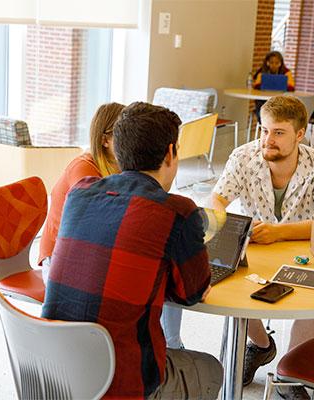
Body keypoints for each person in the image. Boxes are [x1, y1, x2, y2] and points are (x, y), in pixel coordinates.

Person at [42, 102, 223, 399]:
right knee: (210, 369)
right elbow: (192, 293)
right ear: (171, 153)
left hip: (57, 374)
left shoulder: (81, 192)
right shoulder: (178, 211)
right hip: (121, 383)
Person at [212, 95, 314, 400]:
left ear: (300, 134)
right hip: (256, 246)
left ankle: (291, 374)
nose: (267, 140)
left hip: (306, 251)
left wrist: (279, 233)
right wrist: (230, 226)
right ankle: (260, 346)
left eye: (278, 133)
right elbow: (216, 200)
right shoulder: (243, 157)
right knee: (229, 282)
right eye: (263, 130)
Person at [38, 102, 125, 283]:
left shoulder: (122, 166)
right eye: (124, 135)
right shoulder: (84, 168)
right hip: (59, 258)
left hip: (89, 251)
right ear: (105, 140)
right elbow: (92, 224)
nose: (132, 141)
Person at [253, 51, 295, 124]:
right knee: (261, 106)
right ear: (267, 63)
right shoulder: (262, 71)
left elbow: (291, 88)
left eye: (277, 63)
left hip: (280, 101)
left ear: (280, 63)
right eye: (271, 62)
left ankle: (273, 125)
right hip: (263, 100)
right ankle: (263, 123)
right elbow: (256, 86)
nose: (274, 65)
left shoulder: (286, 72)